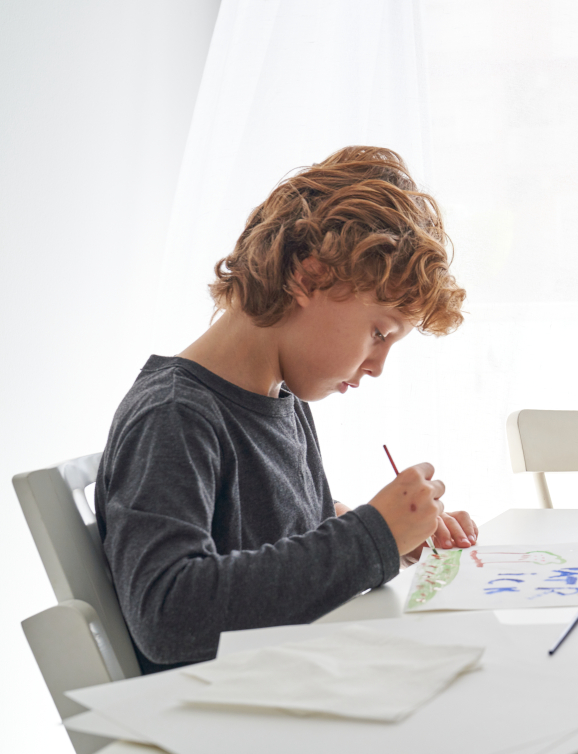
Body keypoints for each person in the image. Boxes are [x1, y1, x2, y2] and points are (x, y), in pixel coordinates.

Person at [95, 146, 476, 673]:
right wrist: (371, 538)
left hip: (288, 682)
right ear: (308, 277)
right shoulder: (174, 416)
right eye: (378, 333)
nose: (378, 366)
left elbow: (277, 540)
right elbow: (167, 614)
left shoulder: (282, 402)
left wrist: (393, 532)